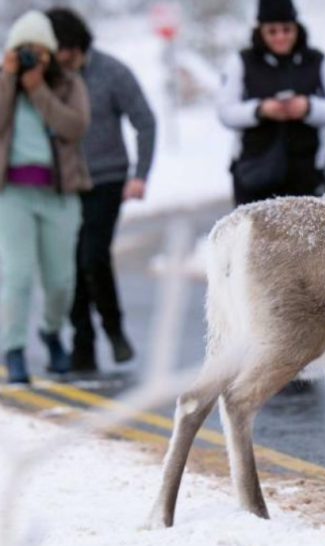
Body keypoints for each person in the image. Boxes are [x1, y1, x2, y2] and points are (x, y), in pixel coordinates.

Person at [47, 7, 157, 372]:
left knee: (92, 255)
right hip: (62, 182)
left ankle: (112, 328)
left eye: (65, 50)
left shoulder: (112, 72)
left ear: (78, 45)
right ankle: (83, 341)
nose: (61, 59)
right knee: (69, 263)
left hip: (107, 179)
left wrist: (140, 174)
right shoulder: (46, 79)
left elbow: (145, 120)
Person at [0, 11, 91, 384]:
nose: (28, 58)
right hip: (13, 196)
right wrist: (9, 79)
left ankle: (51, 333)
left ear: (50, 53)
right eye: (22, 50)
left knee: (60, 282)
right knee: (17, 275)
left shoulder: (68, 84)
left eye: (36, 51)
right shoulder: (3, 81)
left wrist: (38, 89)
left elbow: (75, 127)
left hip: (59, 194)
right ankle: (14, 350)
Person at [217, 0, 325, 207]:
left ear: (296, 28)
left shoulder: (317, 61)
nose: (280, 37)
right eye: (272, 31)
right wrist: (260, 110)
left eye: (286, 30)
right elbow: (226, 112)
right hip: (255, 175)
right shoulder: (241, 62)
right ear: (261, 30)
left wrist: (308, 108)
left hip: (307, 175)